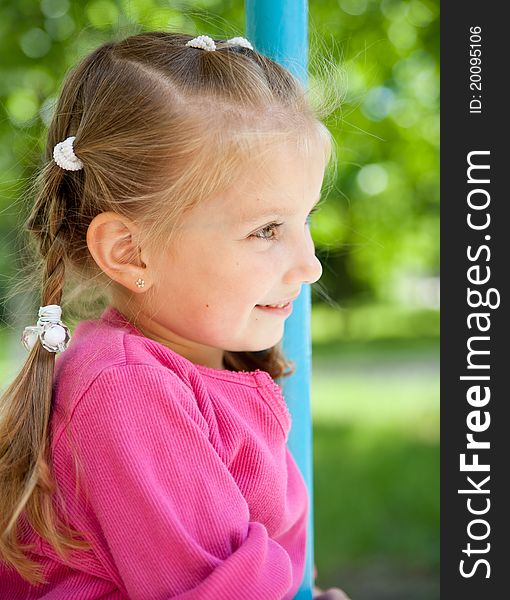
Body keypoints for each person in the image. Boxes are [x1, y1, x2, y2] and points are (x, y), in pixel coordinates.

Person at [0, 31, 350, 599]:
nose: (309, 265)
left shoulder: (196, 361)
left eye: (305, 217)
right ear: (130, 252)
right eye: (265, 230)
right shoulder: (127, 390)